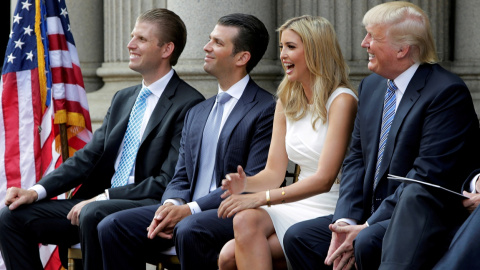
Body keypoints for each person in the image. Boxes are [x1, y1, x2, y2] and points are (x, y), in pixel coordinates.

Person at [0, 8, 204, 270]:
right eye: (132, 36)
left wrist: (104, 197)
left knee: (93, 213)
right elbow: (89, 157)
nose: (130, 45)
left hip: (144, 206)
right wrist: (36, 191)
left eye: (141, 39)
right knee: (12, 217)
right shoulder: (124, 97)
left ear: (166, 49)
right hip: (96, 204)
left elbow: (166, 181)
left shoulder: (189, 103)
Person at [283, 2, 479, 270]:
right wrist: (346, 221)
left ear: (402, 49)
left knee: (367, 240)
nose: (364, 43)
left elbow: (426, 176)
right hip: (369, 214)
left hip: (418, 217)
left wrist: (366, 226)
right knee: (299, 237)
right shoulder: (371, 86)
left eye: (372, 37)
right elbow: (355, 160)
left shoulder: (445, 92)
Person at [97, 13, 275, 270]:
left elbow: (252, 182)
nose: (206, 47)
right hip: (188, 209)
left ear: (242, 57)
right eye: (209, 39)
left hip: (229, 212)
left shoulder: (265, 108)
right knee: (112, 226)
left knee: (190, 228)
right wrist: (170, 205)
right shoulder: (198, 110)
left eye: (217, 42)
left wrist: (190, 209)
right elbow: (180, 175)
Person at [216, 15, 357, 270]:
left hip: (331, 202)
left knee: (230, 257)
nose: (282, 55)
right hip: (296, 200)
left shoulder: (342, 100)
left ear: (315, 51)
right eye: (281, 47)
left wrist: (260, 198)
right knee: (239, 230)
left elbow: (325, 180)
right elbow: (273, 173)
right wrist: (246, 184)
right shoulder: (286, 100)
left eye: (291, 47)